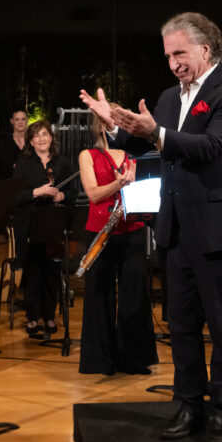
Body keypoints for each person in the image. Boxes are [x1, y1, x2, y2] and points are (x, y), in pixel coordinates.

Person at [80, 11, 222, 442]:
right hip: (175, 230)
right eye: (168, 55)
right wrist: (114, 122)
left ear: (205, 50)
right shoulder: (166, 97)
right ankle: (189, 403)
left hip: (220, 231)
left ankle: (221, 410)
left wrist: (155, 131)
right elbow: (140, 141)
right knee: (181, 326)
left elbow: (211, 147)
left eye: (180, 53)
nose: (173, 62)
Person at [76, 114, 158, 376]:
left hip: (132, 228)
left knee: (134, 294)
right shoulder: (88, 155)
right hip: (100, 230)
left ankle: (133, 359)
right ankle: (101, 361)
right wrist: (118, 184)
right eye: (105, 120)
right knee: (100, 295)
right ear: (98, 126)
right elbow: (93, 193)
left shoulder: (134, 152)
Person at [11, 119, 74, 339]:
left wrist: (62, 195)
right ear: (30, 140)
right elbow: (15, 197)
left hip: (53, 224)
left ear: (51, 138)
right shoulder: (23, 163)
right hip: (28, 224)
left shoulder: (62, 163)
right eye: (37, 135)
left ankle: (49, 315)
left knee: (52, 271)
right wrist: (37, 192)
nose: (41, 139)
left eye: (45, 134)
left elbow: (73, 192)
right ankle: (32, 316)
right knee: (32, 271)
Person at [0, 108, 28, 176]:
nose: (20, 122)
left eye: (23, 119)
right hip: (10, 182)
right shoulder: (4, 142)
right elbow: (4, 166)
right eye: (17, 119)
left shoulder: (32, 141)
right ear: (11, 121)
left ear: (27, 120)